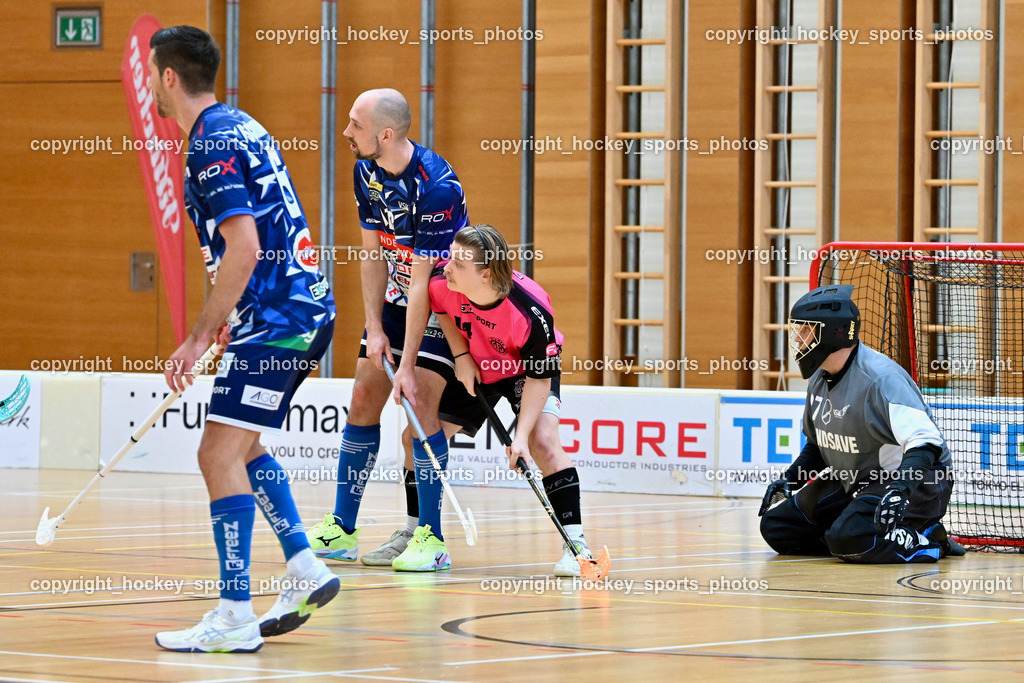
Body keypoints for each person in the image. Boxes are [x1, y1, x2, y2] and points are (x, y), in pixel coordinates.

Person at [147, 26, 339, 652]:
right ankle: (305, 566)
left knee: (216, 456)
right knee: (244, 448)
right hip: (293, 312)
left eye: (154, 72)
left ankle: (234, 614)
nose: (151, 82)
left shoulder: (209, 145)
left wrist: (199, 333)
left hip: (281, 322)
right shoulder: (239, 124)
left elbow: (246, 243)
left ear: (168, 77)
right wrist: (235, 314)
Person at [306, 88, 472, 572]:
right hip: (395, 303)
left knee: (418, 406)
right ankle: (342, 529)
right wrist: (375, 326)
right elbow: (373, 252)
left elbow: (424, 282)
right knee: (362, 397)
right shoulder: (366, 171)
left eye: (354, 124)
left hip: (442, 307)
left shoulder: (438, 186)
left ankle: (431, 538)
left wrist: (407, 363)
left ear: (385, 133)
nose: (345, 133)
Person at [428, 224, 597, 576]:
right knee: (422, 437)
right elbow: (441, 309)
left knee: (543, 441)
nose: (447, 267)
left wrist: (519, 439)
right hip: (476, 364)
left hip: (524, 373)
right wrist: (461, 356)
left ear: (485, 274)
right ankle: (424, 535)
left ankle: (577, 545)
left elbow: (539, 377)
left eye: (459, 263)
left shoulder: (531, 311)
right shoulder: (444, 284)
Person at [758, 284, 966, 563]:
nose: (797, 340)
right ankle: (853, 540)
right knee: (778, 528)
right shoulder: (820, 378)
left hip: (916, 484)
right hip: (857, 480)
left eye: (805, 330)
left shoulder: (882, 378)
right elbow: (819, 447)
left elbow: (927, 444)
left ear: (832, 333)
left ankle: (928, 537)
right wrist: (790, 478)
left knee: (850, 538)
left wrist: (900, 490)